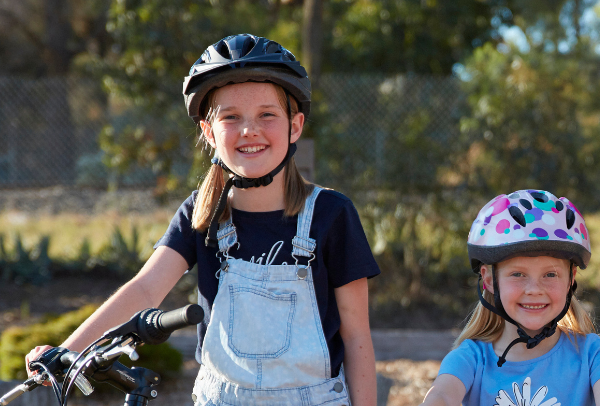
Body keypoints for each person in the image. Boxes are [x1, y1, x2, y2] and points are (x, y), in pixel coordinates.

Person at [23, 34, 380, 406]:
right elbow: (146, 290)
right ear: (209, 132)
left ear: (296, 125)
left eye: (267, 115)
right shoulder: (202, 212)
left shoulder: (331, 214)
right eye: (231, 117)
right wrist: (67, 351)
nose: (249, 130)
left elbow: (357, 336)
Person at [420, 190, 600, 406]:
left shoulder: (594, 356)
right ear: (490, 280)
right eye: (518, 274)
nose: (534, 289)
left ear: (570, 280)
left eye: (550, 274)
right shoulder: (470, 359)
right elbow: (442, 396)